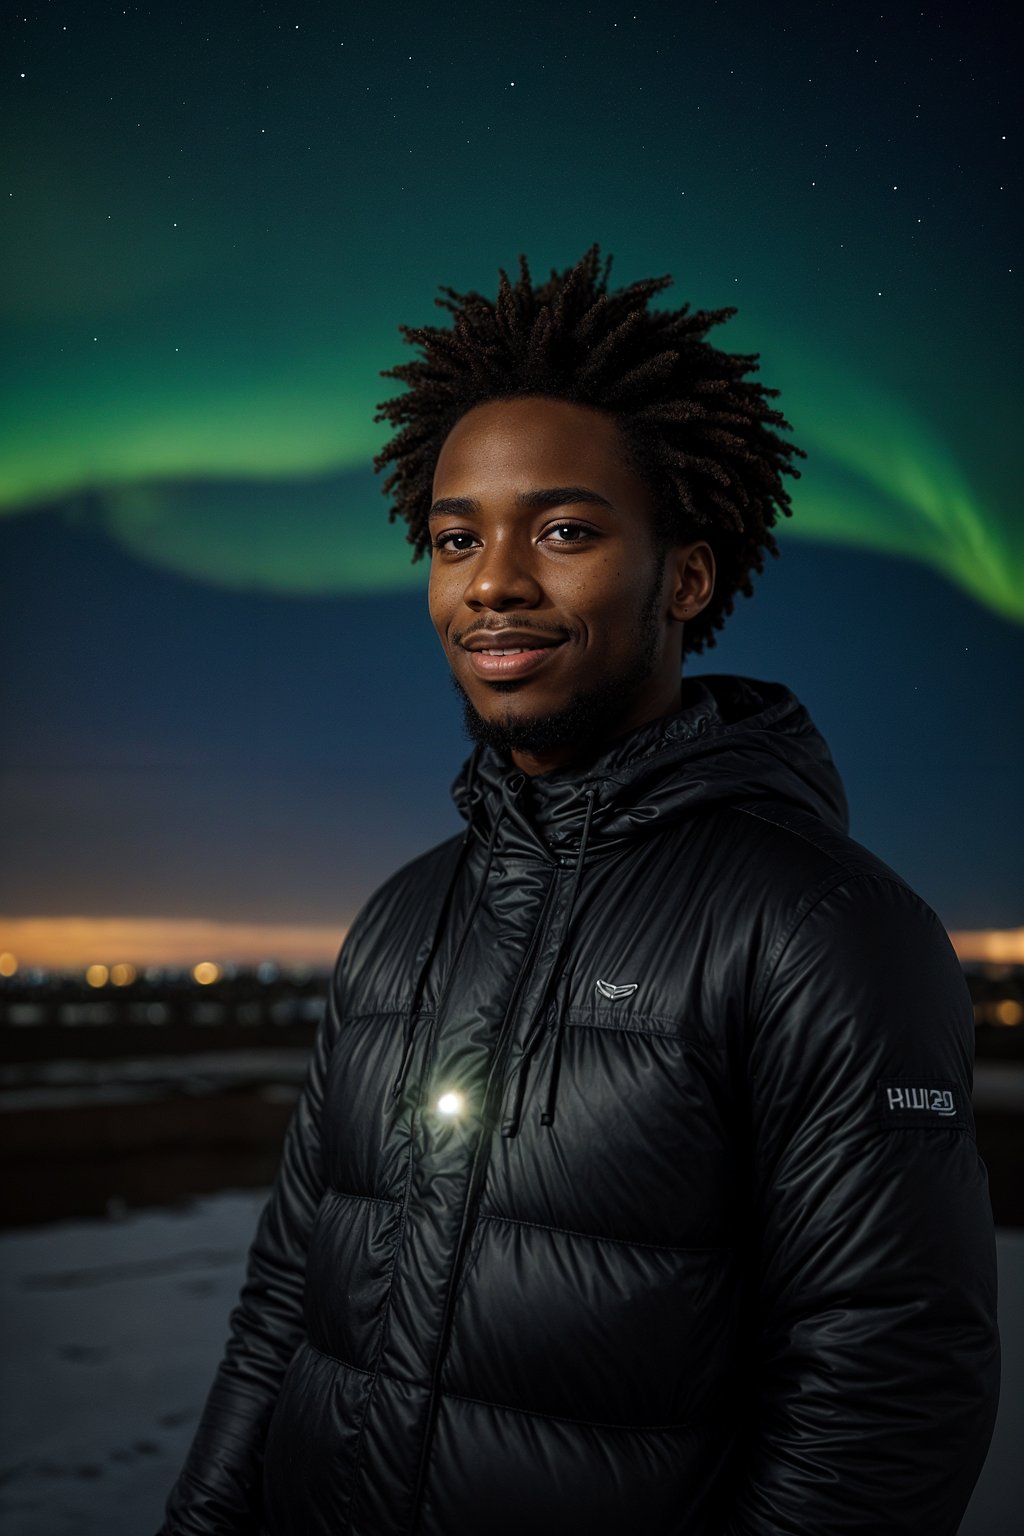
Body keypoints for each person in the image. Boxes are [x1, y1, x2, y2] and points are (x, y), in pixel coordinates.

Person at [160, 245, 999, 1535]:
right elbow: (285, 1304)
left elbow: (883, 1395)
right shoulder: (399, 921)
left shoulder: (825, 930)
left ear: (687, 577)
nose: (493, 580)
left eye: (562, 530)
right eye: (456, 537)